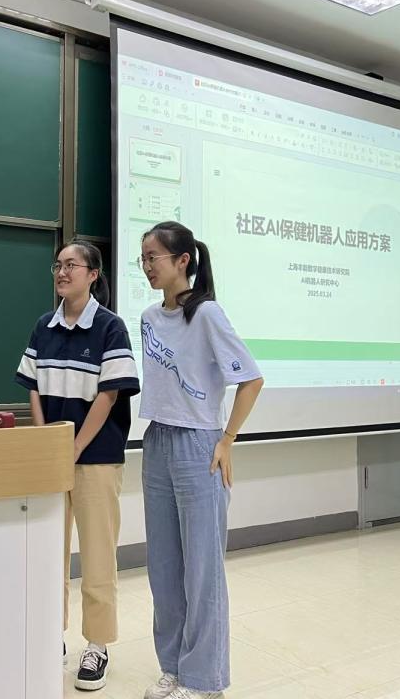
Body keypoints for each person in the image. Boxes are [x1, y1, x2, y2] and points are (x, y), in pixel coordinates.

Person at [137, 222, 264, 699]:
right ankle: (173, 667)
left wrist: (227, 439)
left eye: (153, 257)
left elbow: (251, 379)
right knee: (164, 567)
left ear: (182, 260)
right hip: (157, 440)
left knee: (202, 569)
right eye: (143, 258)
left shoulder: (207, 314)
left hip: (199, 446)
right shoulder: (149, 318)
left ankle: (204, 681)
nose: (147, 266)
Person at [15, 240, 139, 692]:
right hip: (53, 459)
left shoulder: (110, 327)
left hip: (96, 458)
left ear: (93, 274)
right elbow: (32, 385)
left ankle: (97, 644)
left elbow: (109, 394)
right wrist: (47, 440)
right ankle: (53, 635)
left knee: (98, 554)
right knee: (50, 554)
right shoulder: (43, 326)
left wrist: (74, 446)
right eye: (58, 265)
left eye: (72, 265)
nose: (62, 272)